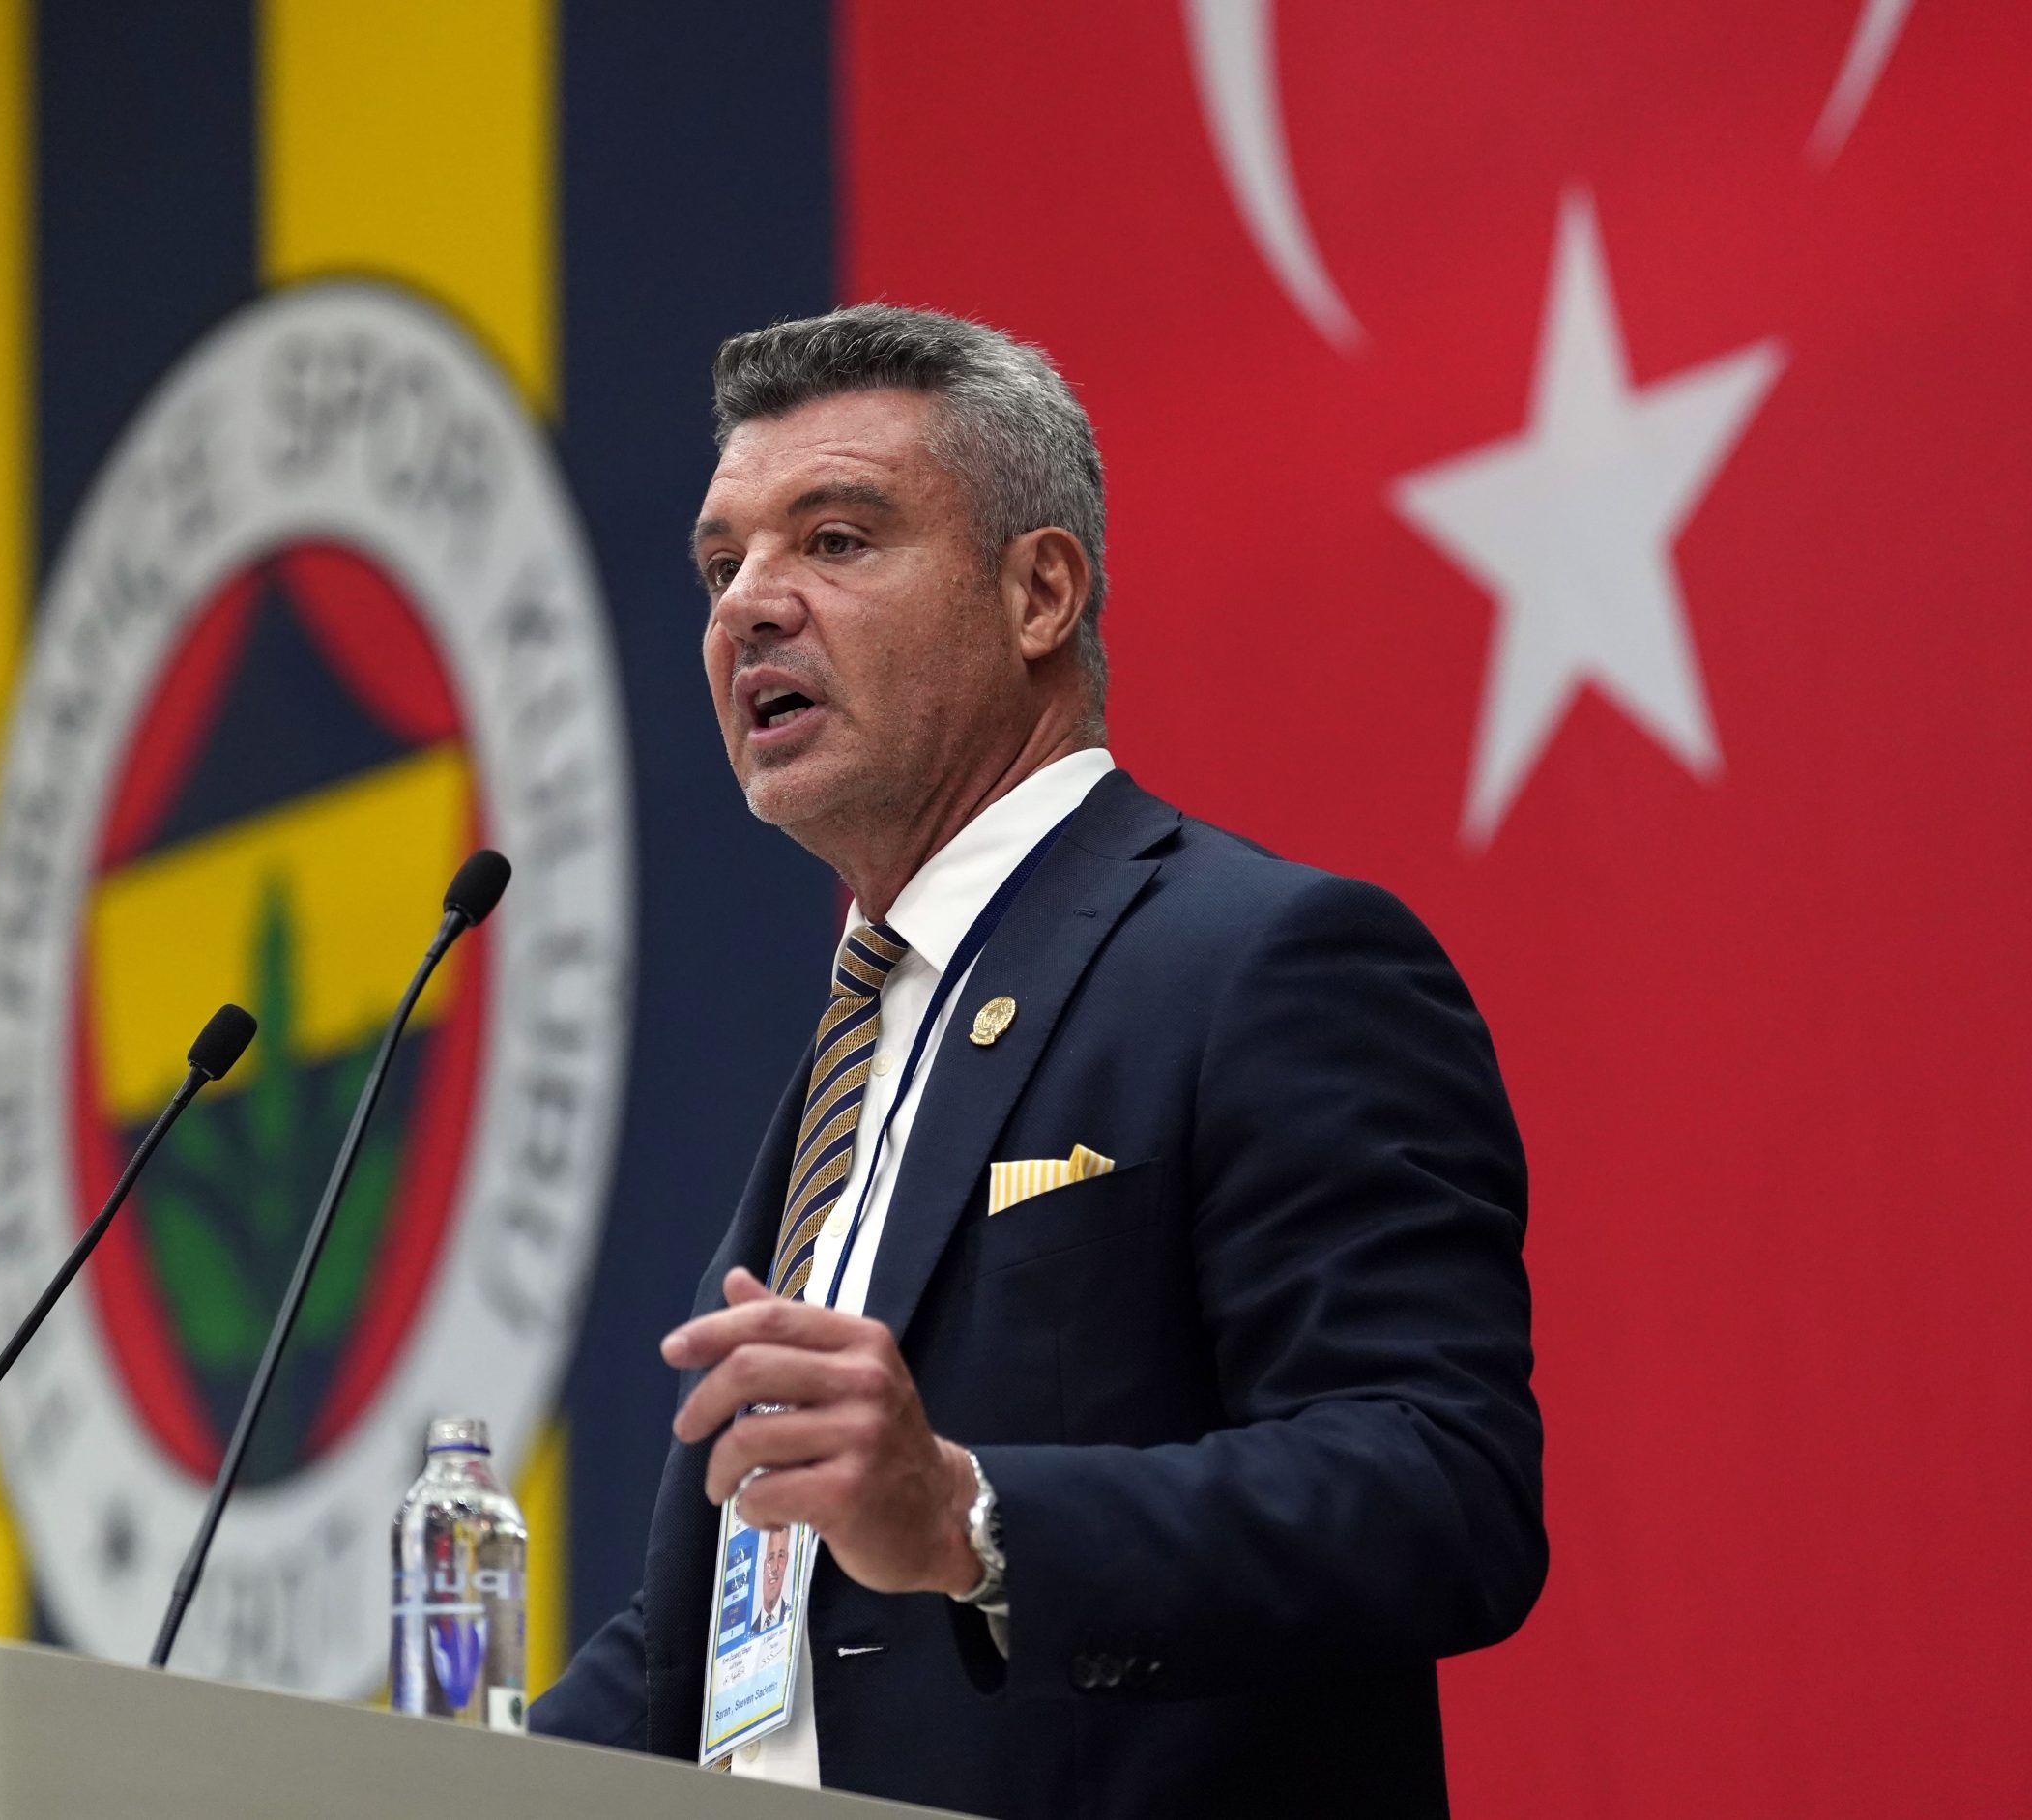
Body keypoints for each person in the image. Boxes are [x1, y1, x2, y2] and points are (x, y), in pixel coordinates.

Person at [531, 304, 1544, 1817]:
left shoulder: (1259, 960)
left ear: (1039, 593)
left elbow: (1442, 1488)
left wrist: (972, 1511)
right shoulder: (857, 1051)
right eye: (721, 564)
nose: (751, 604)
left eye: (836, 539)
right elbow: (722, 1646)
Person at [747, 1525, 792, 1637]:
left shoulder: (794, 1615)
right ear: (764, 1566)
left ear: (787, 1562)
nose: (775, 1567)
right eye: (771, 1558)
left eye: (781, 1556)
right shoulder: (750, 1633)